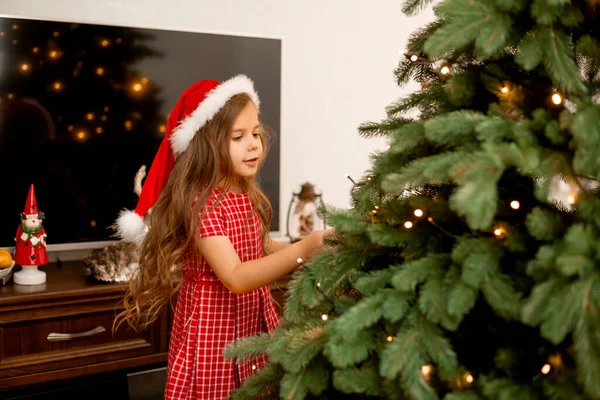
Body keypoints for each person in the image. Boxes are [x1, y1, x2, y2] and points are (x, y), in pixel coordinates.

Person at [113, 75, 330, 399]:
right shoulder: (201, 204)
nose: (254, 143)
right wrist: (307, 247)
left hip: (249, 318)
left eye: (255, 133)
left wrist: (305, 250)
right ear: (207, 144)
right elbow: (236, 276)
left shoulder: (243, 191)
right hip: (214, 328)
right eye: (238, 136)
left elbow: (257, 245)